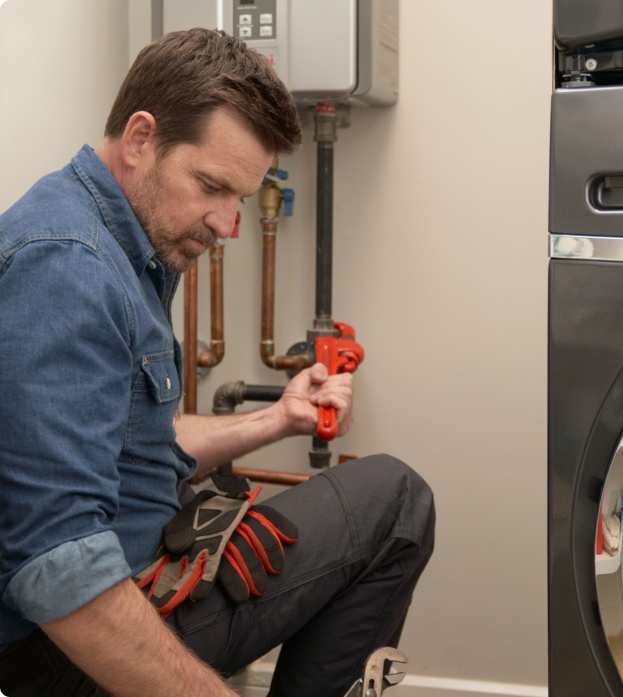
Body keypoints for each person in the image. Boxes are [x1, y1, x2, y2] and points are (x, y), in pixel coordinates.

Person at [0, 28, 435, 697]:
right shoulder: (68, 268)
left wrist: (279, 419)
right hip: (71, 651)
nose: (229, 223)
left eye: (240, 195)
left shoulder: (116, 241)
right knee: (395, 499)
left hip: (135, 577)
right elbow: (57, 567)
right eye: (211, 186)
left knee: (382, 492)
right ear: (142, 138)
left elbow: (132, 445)